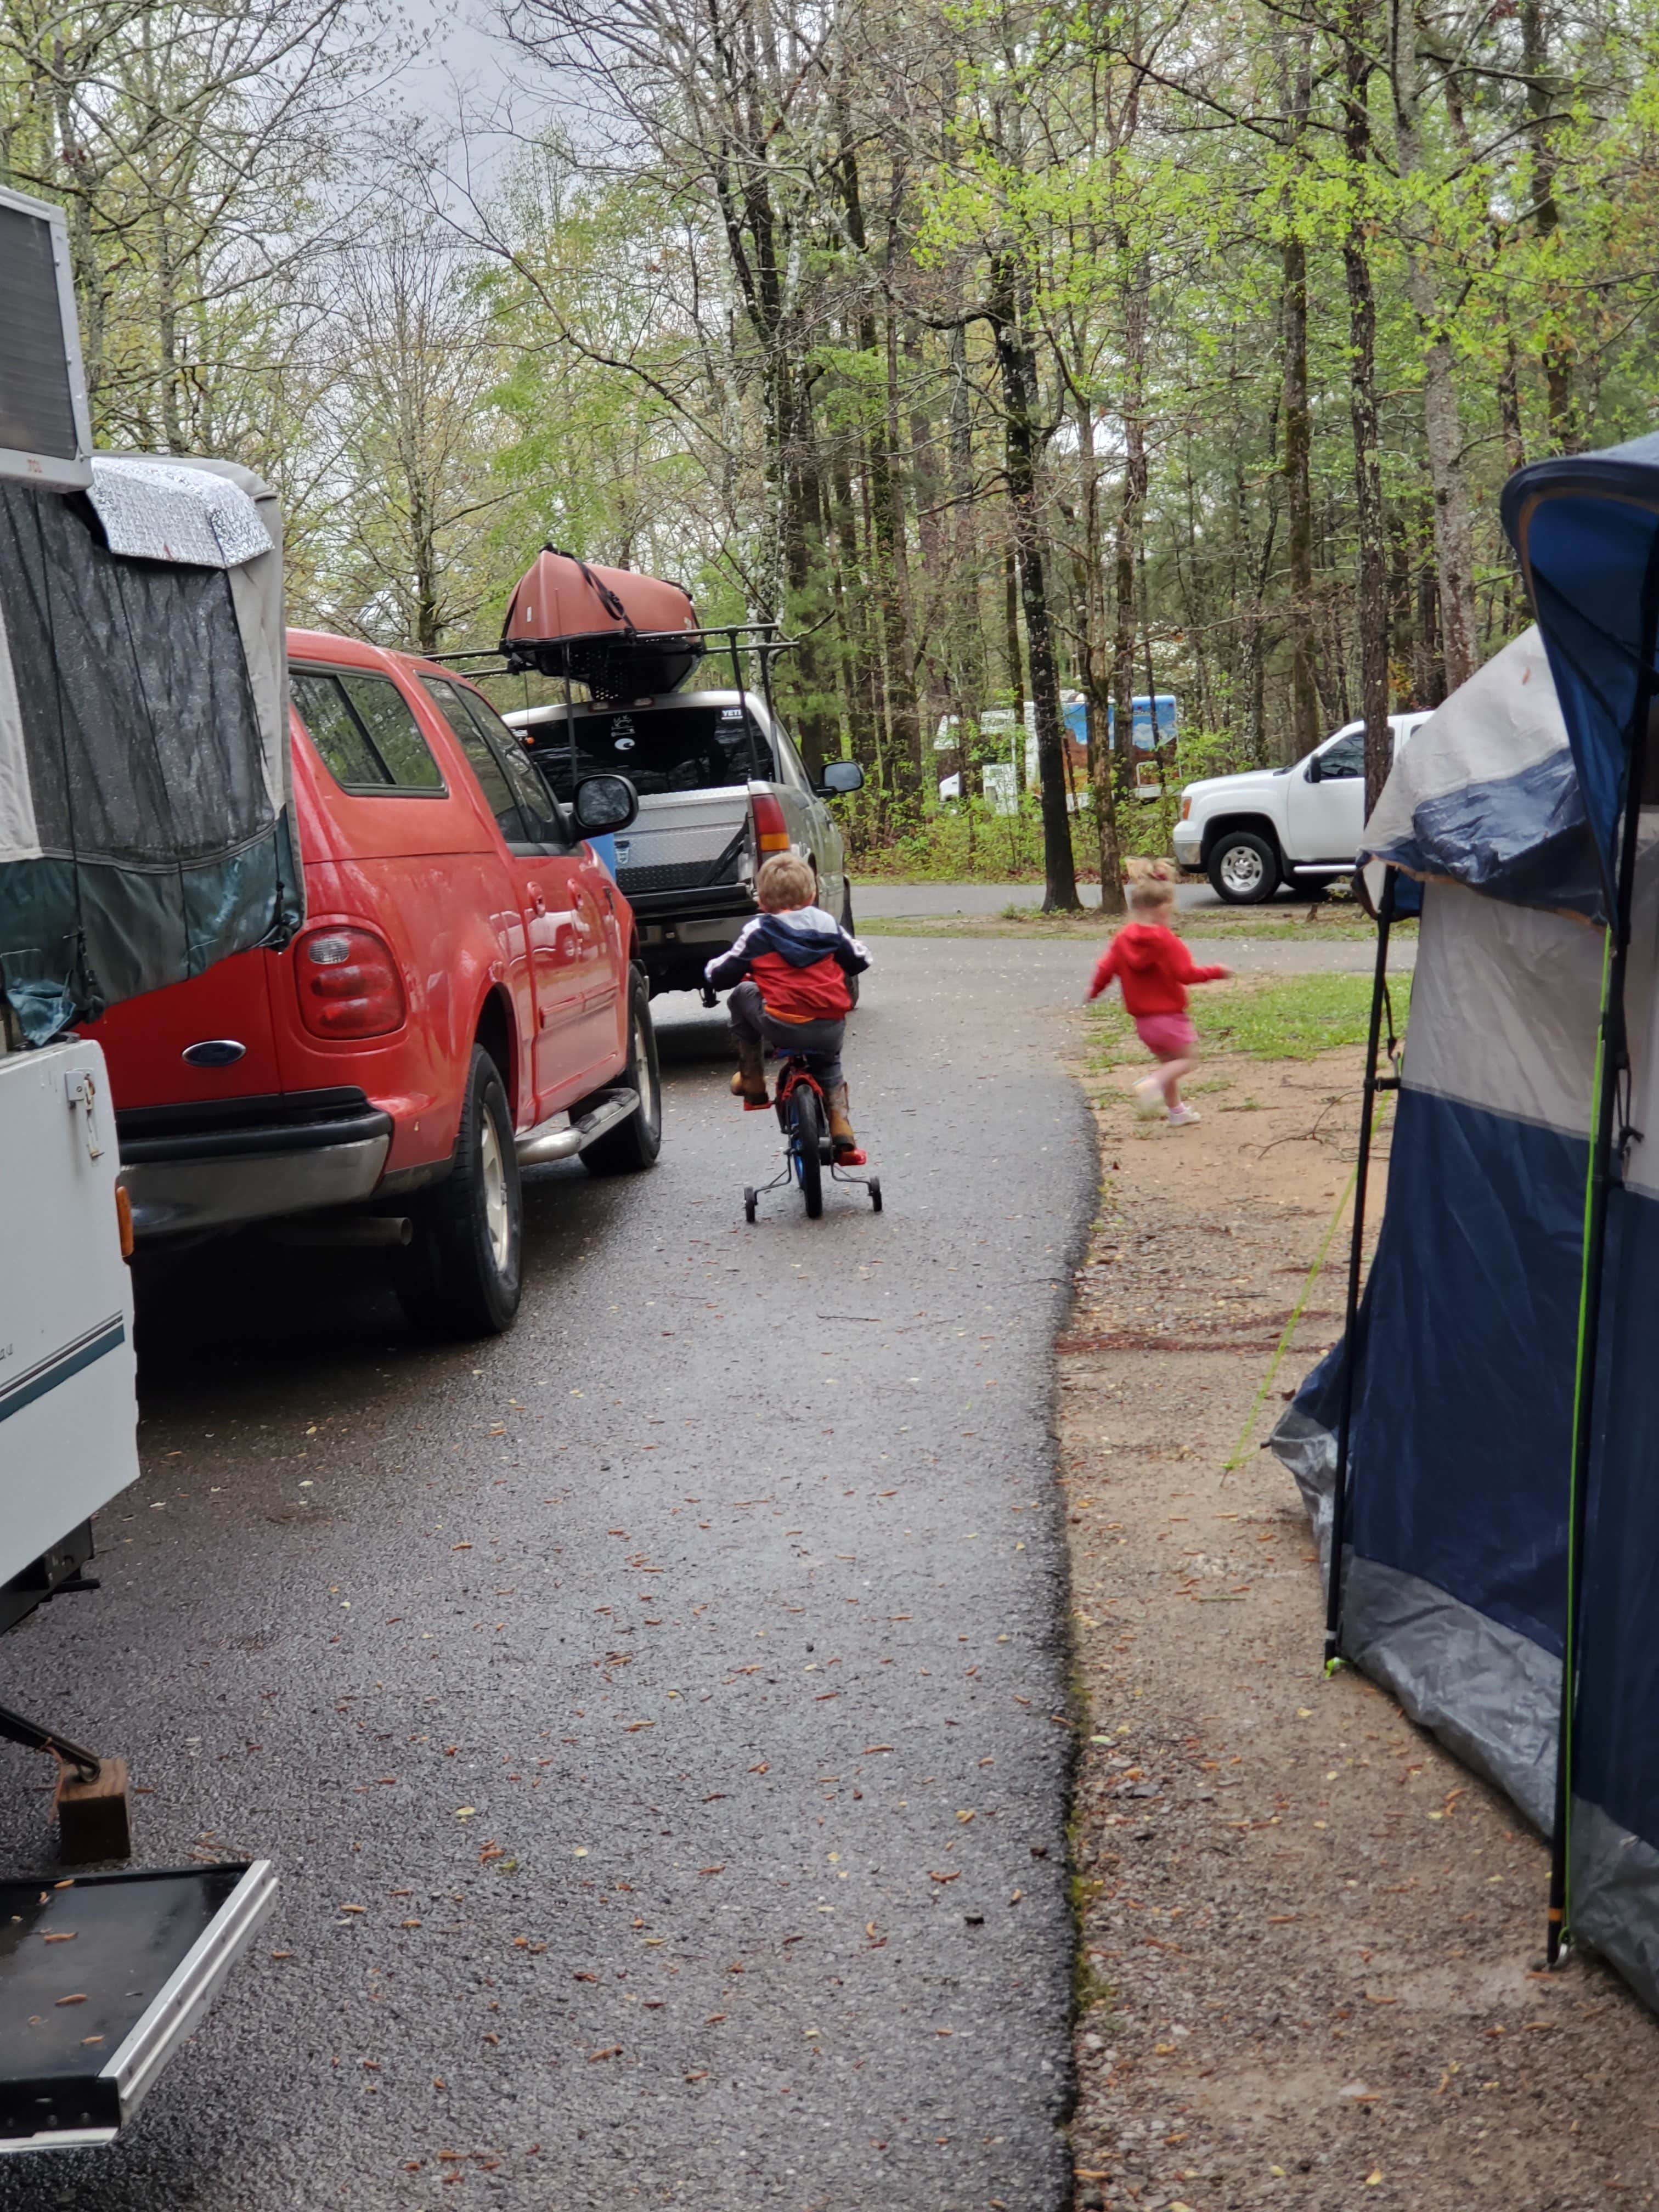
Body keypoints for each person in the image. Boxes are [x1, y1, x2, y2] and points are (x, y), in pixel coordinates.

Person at [705, 851, 871, 1162]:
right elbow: (861, 960)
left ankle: (752, 1077)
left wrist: (710, 973)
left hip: (781, 1022)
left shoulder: (759, 930)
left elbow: (722, 972)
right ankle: (841, 1127)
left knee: (742, 992)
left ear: (762, 901)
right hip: (828, 1025)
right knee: (829, 1065)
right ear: (812, 894)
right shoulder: (827, 925)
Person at [1086, 860, 1232, 1126]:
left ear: (1136, 906)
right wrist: (1216, 971)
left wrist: (1094, 992)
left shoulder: (1121, 939)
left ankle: (1177, 1112)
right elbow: (1186, 974)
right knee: (1187, 1059)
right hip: (1170, 1018)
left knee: (1169, 1065)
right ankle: (1152, 1084)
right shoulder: (1166, 941)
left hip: (1144, 1023)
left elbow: (1105, 969)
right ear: (1163, 909)